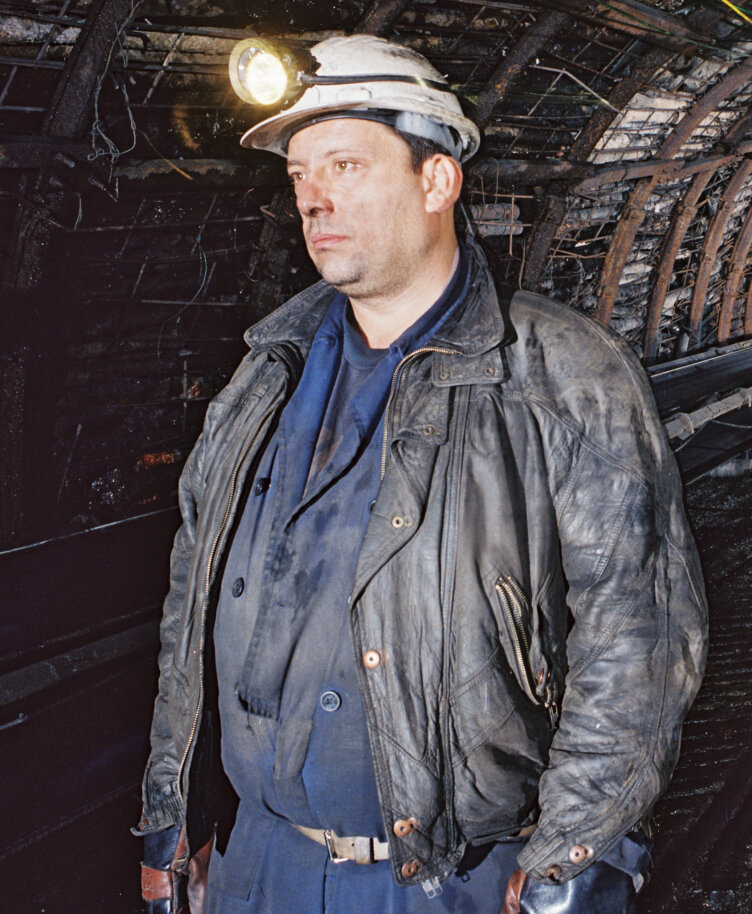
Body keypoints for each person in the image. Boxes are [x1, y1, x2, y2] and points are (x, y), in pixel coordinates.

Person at [135, 34, 707, 914]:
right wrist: (171, 819)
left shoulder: (559, 374)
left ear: (437, 181)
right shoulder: (263, 374)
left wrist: (570, 856)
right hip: (259, 864)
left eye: (347, 163)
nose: (315, 196)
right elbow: (191, 602)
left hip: (450, 880)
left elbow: (638, 637)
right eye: (299, 174)